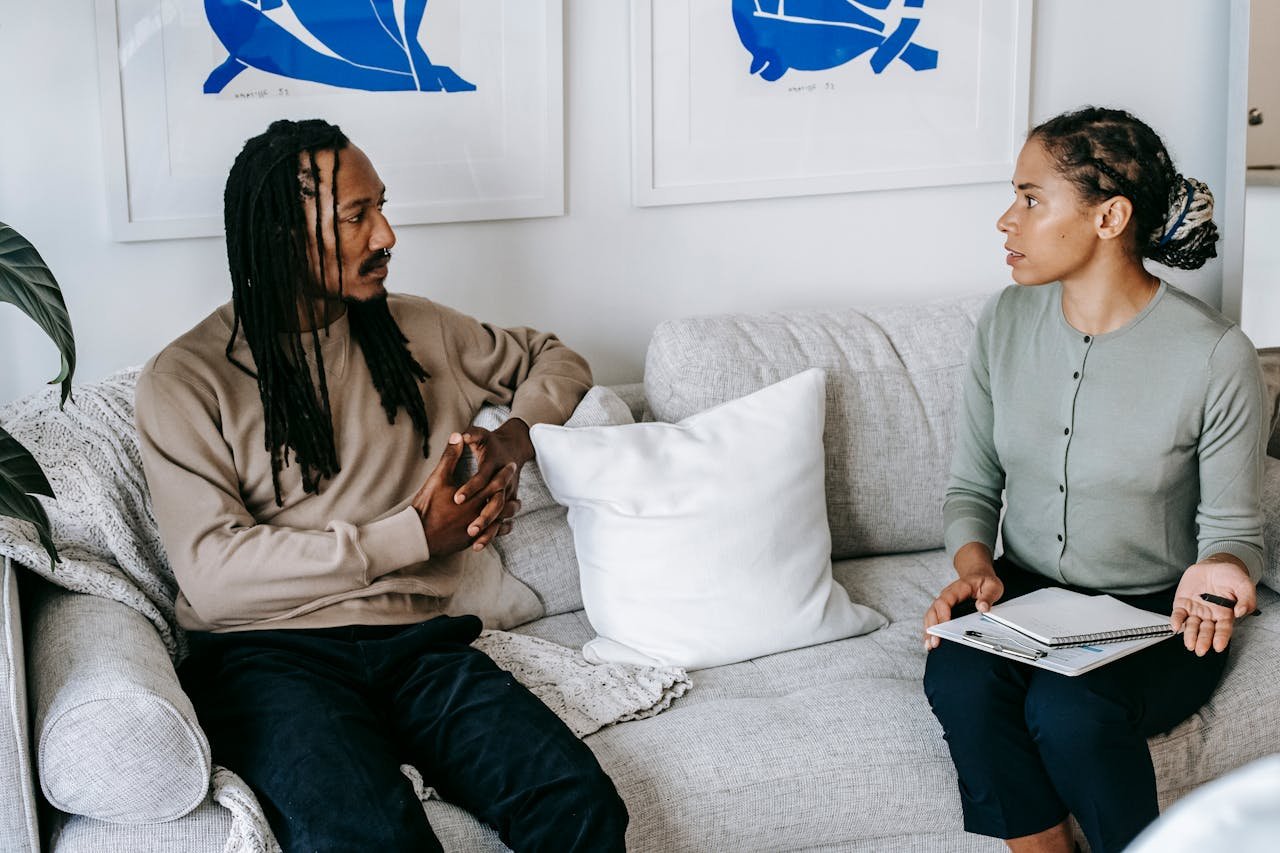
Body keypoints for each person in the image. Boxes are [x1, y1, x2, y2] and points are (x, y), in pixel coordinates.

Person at [134, 119, 628, 852]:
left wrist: (511, 440)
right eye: (356, 216)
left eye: (381, 207)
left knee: (581, 804)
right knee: (370, 839)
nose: (387, 233)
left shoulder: (418, 330)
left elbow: (554, 359)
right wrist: (415, 535)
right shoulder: (186, 379)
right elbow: (213, 577)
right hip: (270, 659)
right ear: (281, 237)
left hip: (418, 645)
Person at [922, 106, 1266, 853]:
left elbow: (1236, 531)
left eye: (1031, 198)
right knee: (960, 678)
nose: (1006, 220)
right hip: (1025, 596)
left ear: (1110, 216)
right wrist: (974, 569)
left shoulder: (1215, 356)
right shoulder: (1005, 322)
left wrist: (1224, 568)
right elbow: (972, 485)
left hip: (1159, 618)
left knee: (1068, 709)